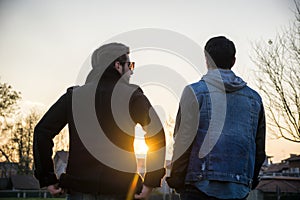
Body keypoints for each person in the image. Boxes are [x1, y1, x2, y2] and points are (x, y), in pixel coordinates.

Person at [33, 43, 166, 200]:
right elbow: (156, 133)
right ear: (118, 66)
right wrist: (150, 182)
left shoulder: (74, 97)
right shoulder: (132, 96)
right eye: (129, 65)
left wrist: (47, 178)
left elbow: (42, 132)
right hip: (121, 191)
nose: (131, 71)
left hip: (79, 190)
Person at [166, 36, 266, 200]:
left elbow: (183, 140)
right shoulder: (254, 99)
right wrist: (250, 179)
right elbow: (259, 147)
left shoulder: (194, 92)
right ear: (233, 61)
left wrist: (176, 178)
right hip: (238, 187)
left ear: (207, 60)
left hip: (198, 185)